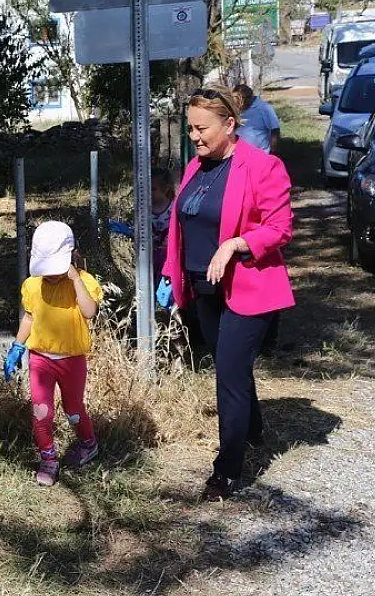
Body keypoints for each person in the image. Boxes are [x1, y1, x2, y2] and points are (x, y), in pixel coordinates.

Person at [158, 85, 295, 502]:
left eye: (202, 129)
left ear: (230, 124)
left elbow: (280, 228)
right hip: (205, 289)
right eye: (191, 130)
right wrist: (170, 274)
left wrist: (235, 244)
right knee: (228, 363)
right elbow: (183, 225)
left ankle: (228, 471)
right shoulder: (194, 167)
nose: (195, 137)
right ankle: (252, 429)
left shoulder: (262, 167)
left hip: (249, 290)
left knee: (228, 376)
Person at [3, 221, 104, 487]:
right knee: (41, 412)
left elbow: (89, 312)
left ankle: (88, 444)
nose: (49, 274)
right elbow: (28, 317)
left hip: (72, 360)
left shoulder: (83, 282)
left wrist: (74, 279)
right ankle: (48, 457)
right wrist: (17, 346)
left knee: (73, 409)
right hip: (40, 359)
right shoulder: (33, 285)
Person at [232, 84, 281, 154]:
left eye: (239, 102)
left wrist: (272, 151)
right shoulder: (235, 108)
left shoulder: (264, 108)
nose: (238, 106)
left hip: (261, 154)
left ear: (247, 98)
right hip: (239, 154)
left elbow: (275, 130)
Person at [151, 167, 176, 287]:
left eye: (153, 189)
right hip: (150, 257)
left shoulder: (174, 208)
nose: (148, 193)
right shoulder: (144, 209)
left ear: (165, 189)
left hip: (167, 256)